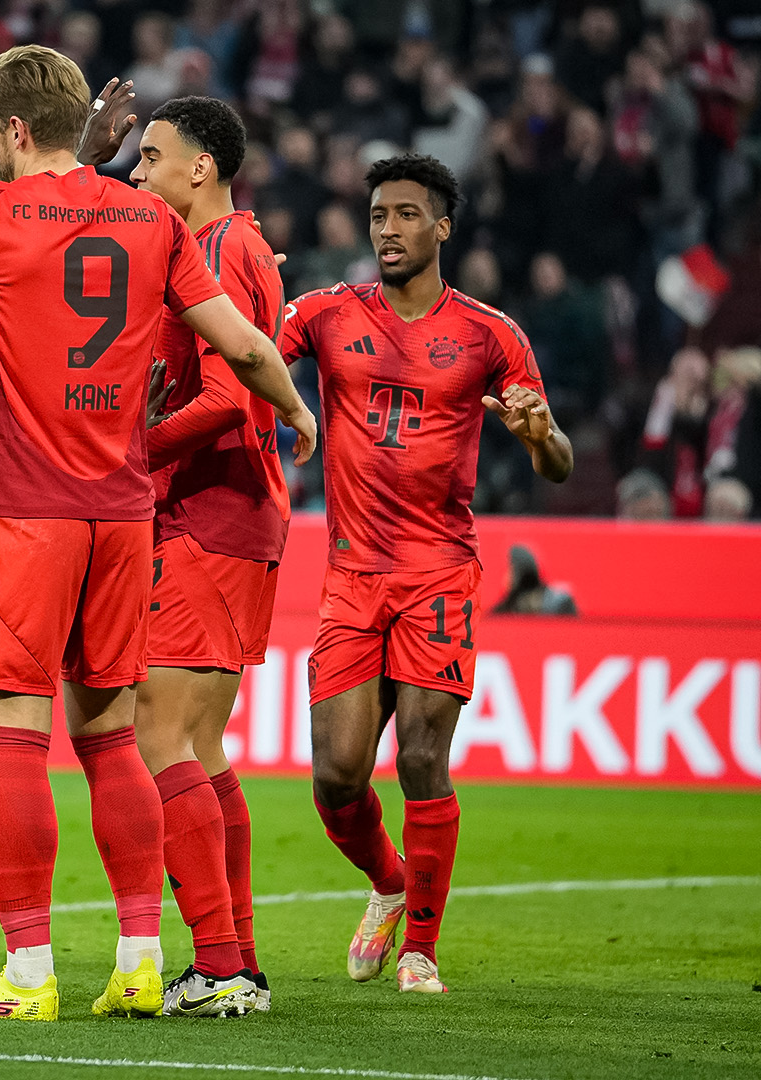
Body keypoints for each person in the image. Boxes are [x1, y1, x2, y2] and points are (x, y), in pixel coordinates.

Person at [0, 48, 315, 1022]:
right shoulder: (154, 217)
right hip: (124, 516)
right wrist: (298, 412)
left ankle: (27, 974)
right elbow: (243, 346)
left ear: (14, 129)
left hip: (20, 513)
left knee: (9, 738)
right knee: (113, 739)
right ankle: (138, 962)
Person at [277, 153, 572, 995]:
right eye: (378, 216)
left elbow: (557, 461)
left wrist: (538, 432)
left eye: (407, 215)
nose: (388, 230)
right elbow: (255, 347)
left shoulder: (490, 333)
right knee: (335, 777)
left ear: (442, 226)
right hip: (349, 573)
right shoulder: (330, 313)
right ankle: (389, 883)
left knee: (421, 759)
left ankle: (422, 953)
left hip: (439, 573)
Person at [124, 95, 286, 1017]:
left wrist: (130, 450)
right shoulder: (235, 247)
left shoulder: (221, 248)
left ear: (202, 167)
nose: (139, 176)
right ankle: (239, 963)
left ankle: (220, 966)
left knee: (160, 735)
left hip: (210, 513)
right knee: (204, 747)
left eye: (152, 159)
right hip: (234, 516)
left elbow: (229, 396)